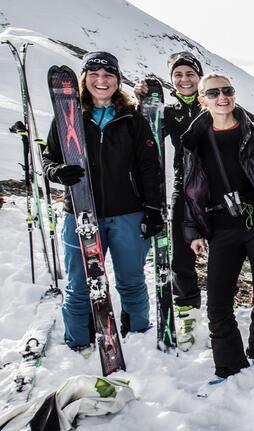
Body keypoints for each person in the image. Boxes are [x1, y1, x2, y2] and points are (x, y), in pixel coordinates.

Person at [43, 51, 163, 351]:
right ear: (84, 79)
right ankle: (78, 344)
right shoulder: (68, 116)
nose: (101, 80)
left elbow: (150, 166)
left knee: (131, 281)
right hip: (80, 214)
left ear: (117, 81)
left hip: (127, 214)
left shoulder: (131, 119)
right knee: (80, 286)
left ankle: (137, 339)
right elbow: (49, 159)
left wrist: (152, 209)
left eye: (108, 75)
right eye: (94, 75)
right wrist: (58, 171)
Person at [180, 73, 254, 396]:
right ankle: (228, 365)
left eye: (227, 90)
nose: (222, 97)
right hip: (221, 226)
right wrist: (192, 229)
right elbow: (188, 187)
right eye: (214, 93)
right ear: (202, 99)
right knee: (218, 300)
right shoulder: (193, 138)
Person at [135, 51, 206, 351]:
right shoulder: (170, 111)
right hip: (184, 186)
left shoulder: (213, 102)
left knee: (225, 253)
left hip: (218, 188)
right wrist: (143, 104)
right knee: (181, 255)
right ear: (172, 80)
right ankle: (187, 313)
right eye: (178, 75)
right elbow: (146, 136)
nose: (185, 79)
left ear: (199, 77)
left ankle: (219, 314)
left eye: (190, 73)